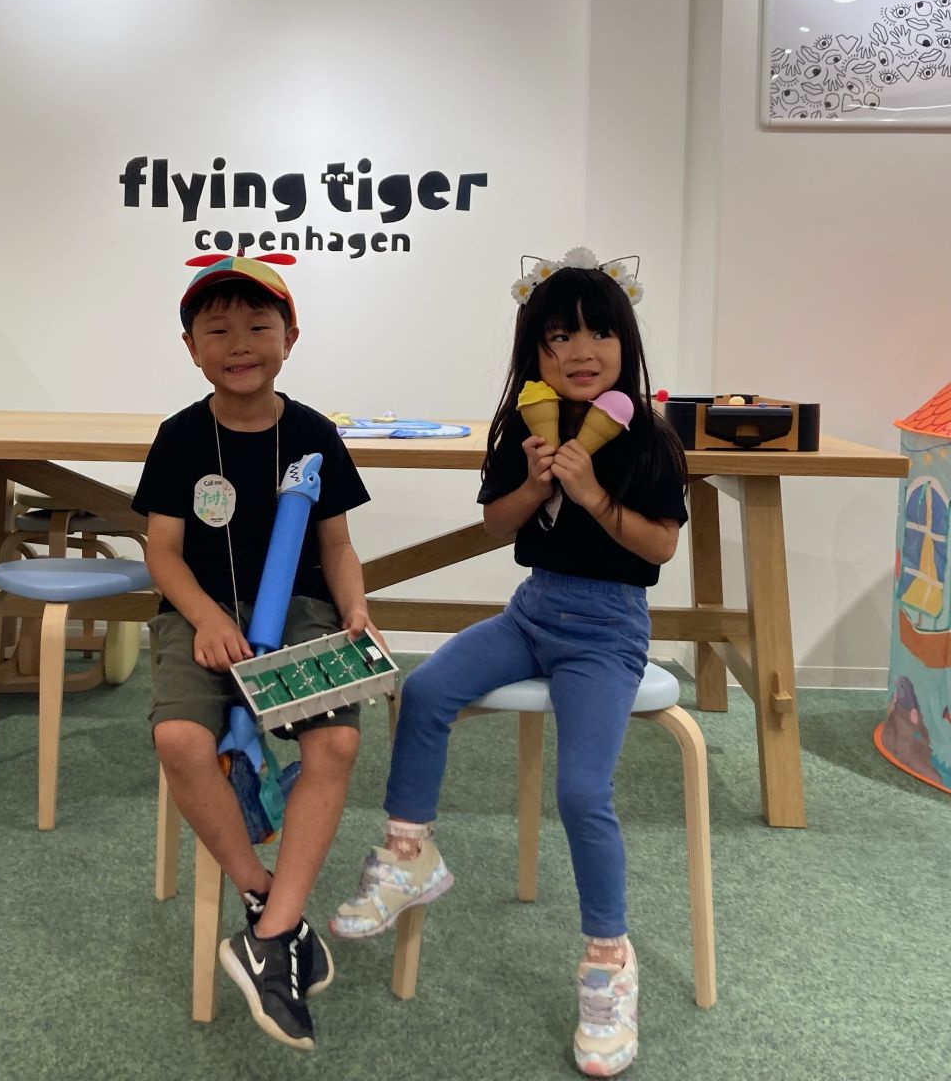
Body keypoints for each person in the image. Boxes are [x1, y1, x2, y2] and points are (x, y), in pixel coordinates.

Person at [330, 250, 687, 1078]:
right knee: (424, 690)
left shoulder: (650, 437)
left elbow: (660, 547)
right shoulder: (524, 427)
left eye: (598, 333)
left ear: (625, 343)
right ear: (535, 352)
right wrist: (534, 483)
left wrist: (594, 495)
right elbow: (498, 525)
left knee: (582, 791)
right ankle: (410, 853)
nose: (580, 351)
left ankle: (608, 959)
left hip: (607, 630)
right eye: (558, 337)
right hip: (533, 612)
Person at [132, 255, 379, 1053]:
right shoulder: (180, 436)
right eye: (218, 330)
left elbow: (337, 546)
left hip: (303, 612)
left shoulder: (312, 434)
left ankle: (268, 937)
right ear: (191, 348)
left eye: (257, 326)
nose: (239, 343)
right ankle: (264, 898)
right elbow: (162, 552)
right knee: (179, 737)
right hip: (198, 614)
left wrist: (356, 609)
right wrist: (206, 617)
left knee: (336, 742)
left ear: (290, 337)